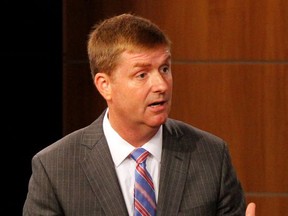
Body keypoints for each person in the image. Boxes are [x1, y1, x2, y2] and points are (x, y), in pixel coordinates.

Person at [23, 13, 255, 216]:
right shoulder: (55, 168)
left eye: (164, 69)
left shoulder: (212, 156)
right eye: (142, 74)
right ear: (105, 85)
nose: (161, 85)